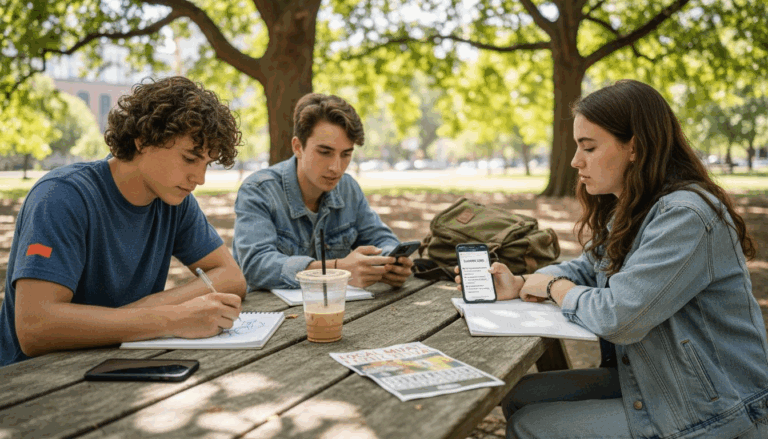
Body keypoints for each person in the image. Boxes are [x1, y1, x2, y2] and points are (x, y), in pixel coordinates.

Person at [456, 79, 768, 439]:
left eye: (588, 147)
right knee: (520, 395)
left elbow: (620, 316)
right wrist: (523, 283)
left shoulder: (685, 216)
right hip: (661, 378)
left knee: (530, 427)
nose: (575, 161)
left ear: (634, 147)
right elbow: (587, 268)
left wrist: (555, 287)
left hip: (716, 405)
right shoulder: (634, 208)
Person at [0, 76, 247, 367]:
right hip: (33, 381)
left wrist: (142, 310)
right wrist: (170, 317)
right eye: (190, 158)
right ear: (143, 139)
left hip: (118, 365)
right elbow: (34, 328)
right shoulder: (61, 196)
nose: (200, 178)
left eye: (207, 163)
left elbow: (232, 278)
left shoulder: (174, 201)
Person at [233, 93, 413, 290]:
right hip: (271, 313)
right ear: (298, 147)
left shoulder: (348, 188)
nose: (336, 167)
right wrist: (336, 270)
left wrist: (390, 262)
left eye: (346, 154)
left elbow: (381, 239)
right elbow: (255, 265)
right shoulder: (258, 191)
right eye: (325, 152)